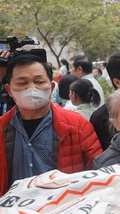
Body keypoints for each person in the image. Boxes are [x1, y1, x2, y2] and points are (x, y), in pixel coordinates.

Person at [0, 54, 102, 194]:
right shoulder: (2, 128)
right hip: (11, 213)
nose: (32, 88)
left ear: (52, 86)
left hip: (64, 210)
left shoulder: (78, 126)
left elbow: (98, 174)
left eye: (39, 82)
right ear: (9, 90)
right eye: (22, 83)